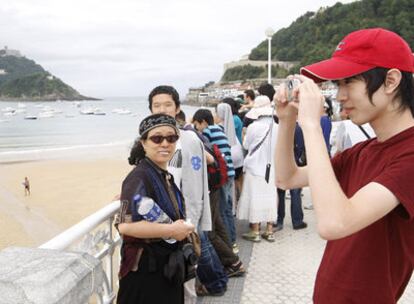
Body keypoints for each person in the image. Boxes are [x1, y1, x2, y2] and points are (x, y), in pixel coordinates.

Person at [275, 28, 414, 303]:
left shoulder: (409, 156)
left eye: (348, 82)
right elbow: (287, 178)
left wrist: (312, 125)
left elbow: (334, 223)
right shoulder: (361, 152)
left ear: (391, 80)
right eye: (337, 85)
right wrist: (287, 120)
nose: (339, 96)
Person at [148, 85, 227, 299]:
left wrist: (192, 216)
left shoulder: (189, 139)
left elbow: (194, 182)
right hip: (161, 217)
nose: (162, 109)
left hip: (183, 214)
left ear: (177, 108)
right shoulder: (150, 139)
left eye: (167, 104)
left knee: (193, 254)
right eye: (157, 105)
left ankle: (217, 282)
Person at [115, 113, 195, 304]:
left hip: (164, 268)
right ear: (143, 143)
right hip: (145, 272)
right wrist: (172, 230)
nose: (165, 143)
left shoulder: (162, 173)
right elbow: (125, 227)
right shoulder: (139, 177)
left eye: (171, 138)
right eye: (157, 138)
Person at [192, 109, 238, 252]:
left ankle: (230, 243)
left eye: (196, 125)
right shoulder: (219, 129)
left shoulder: (207, 132)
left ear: (203, 122)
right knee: (228, 208)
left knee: (222, 210)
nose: (196, 128)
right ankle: (233, 239)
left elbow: (204, 149)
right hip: (230, 171)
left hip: (222, 175)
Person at [237, 95, 278, 242]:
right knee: (270, 198)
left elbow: (246, 146)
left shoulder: (254, 127)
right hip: (271, 168)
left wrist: (244, 135)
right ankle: (269, 230)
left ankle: (255, 231)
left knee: (255, 198)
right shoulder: (278, 127)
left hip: (255, 168)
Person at [275, 123, 307, 231]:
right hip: (294, 163)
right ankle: (297, 221)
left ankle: (279, 220)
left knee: (280, 192)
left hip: (281, 163)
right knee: (295, 192)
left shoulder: (279, 127)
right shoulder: (297, 128)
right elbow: (300, 146)